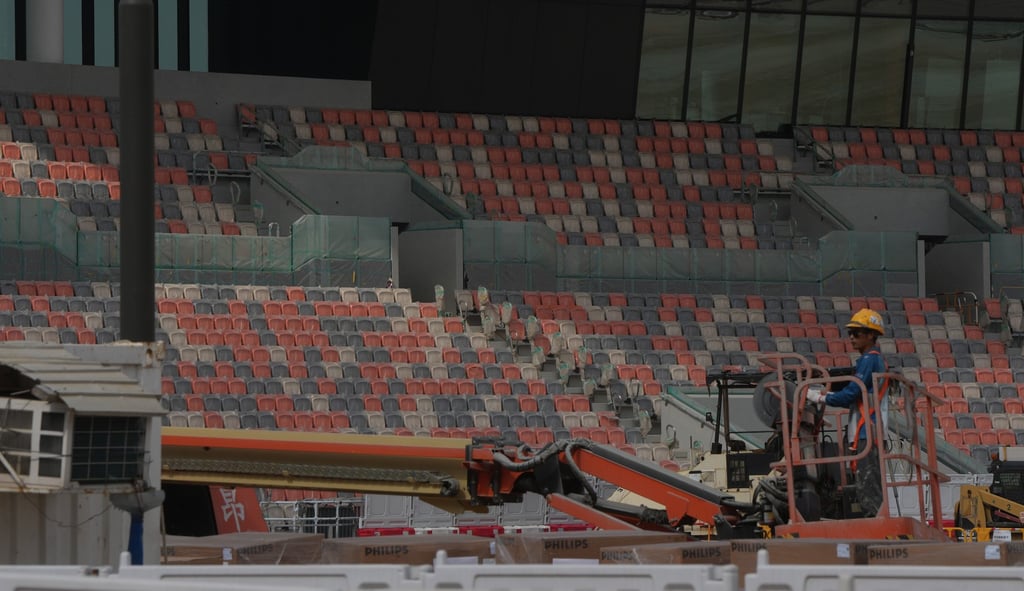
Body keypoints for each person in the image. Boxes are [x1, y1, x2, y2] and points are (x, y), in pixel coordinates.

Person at [806, 307, 889, 517]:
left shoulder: (870, 359)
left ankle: (875, 527)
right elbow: (854, 397)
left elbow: (851, 393)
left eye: (857, 333)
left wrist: (819, 397)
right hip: (866, 432)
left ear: (871, 335)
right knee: (864, 485)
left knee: (868, 486)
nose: (851, 338)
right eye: (850, 333)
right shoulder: (868, 360)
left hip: (867, 432)